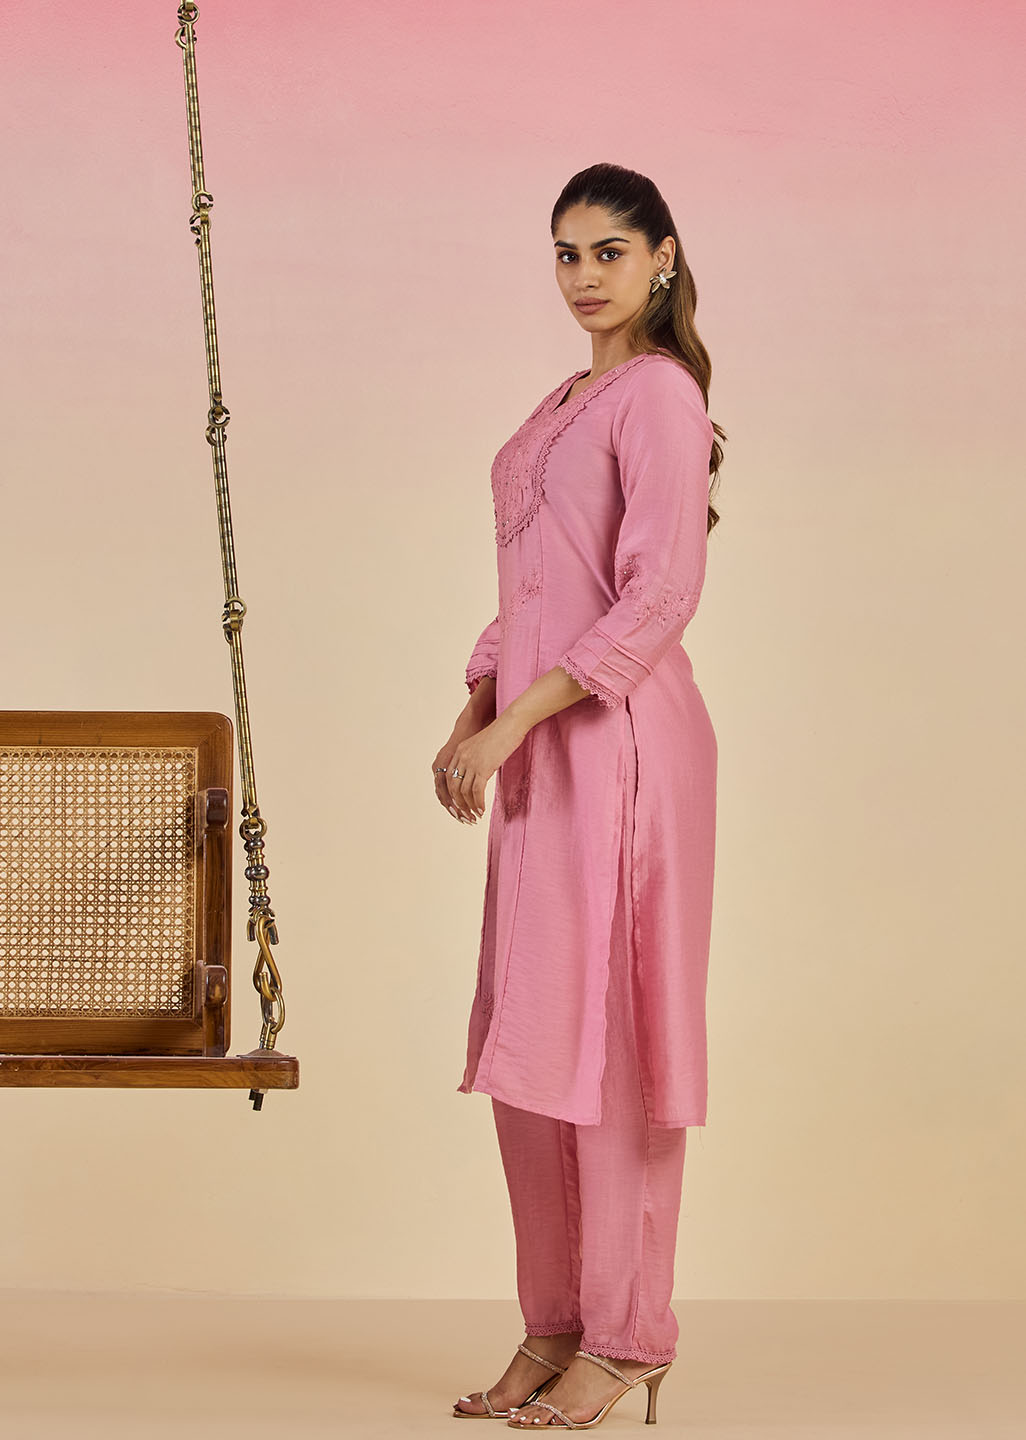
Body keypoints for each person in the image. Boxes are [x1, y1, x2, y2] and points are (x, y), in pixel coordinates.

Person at [433, 162, 725, 1430]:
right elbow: (534, 592)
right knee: (536, 1032)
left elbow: (658, 595)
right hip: (541, 743)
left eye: (610, 251)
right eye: (567, 252)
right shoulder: (560, 402)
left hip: (622, 746)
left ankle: (627, 1332)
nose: (586, 275)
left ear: (662, 258)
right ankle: (553, 1322)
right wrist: (476, 708)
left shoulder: (658, 394)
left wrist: (519, 722)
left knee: (615, 1039)